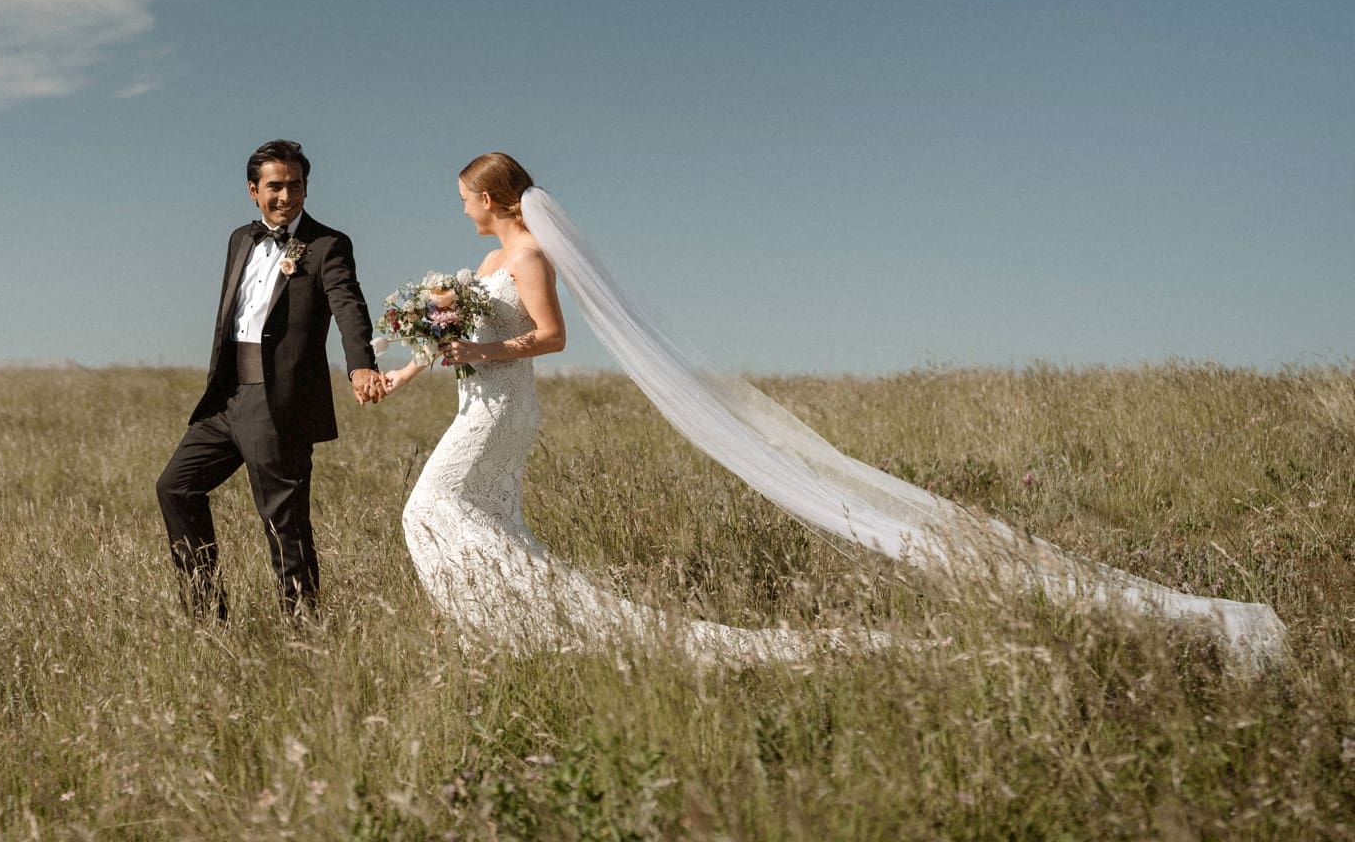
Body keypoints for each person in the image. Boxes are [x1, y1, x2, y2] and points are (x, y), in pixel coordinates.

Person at [386, 153, 1285, 667]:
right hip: (475, 399)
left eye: (465, 197)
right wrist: (408, 370)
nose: (459, 209)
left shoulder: (532, 254)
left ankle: (530, 623)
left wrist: (480, 351)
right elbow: (456, 333)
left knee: (431, 508)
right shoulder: (483, 265)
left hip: (502, 408)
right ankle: (518, 625)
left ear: (493, 198)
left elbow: (548, 340)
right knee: (460, 515)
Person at [157, 140, 386, 620]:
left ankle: (304, 636)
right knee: (176, 487)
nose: (286, 196)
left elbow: (347, 303)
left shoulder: (327, 245)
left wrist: (360, 362)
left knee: (284, 523)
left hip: (279, 400)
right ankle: (207, 619)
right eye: (275, 186)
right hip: (226, 397)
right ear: (253, 190)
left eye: (296, 185)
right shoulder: (240, 238)